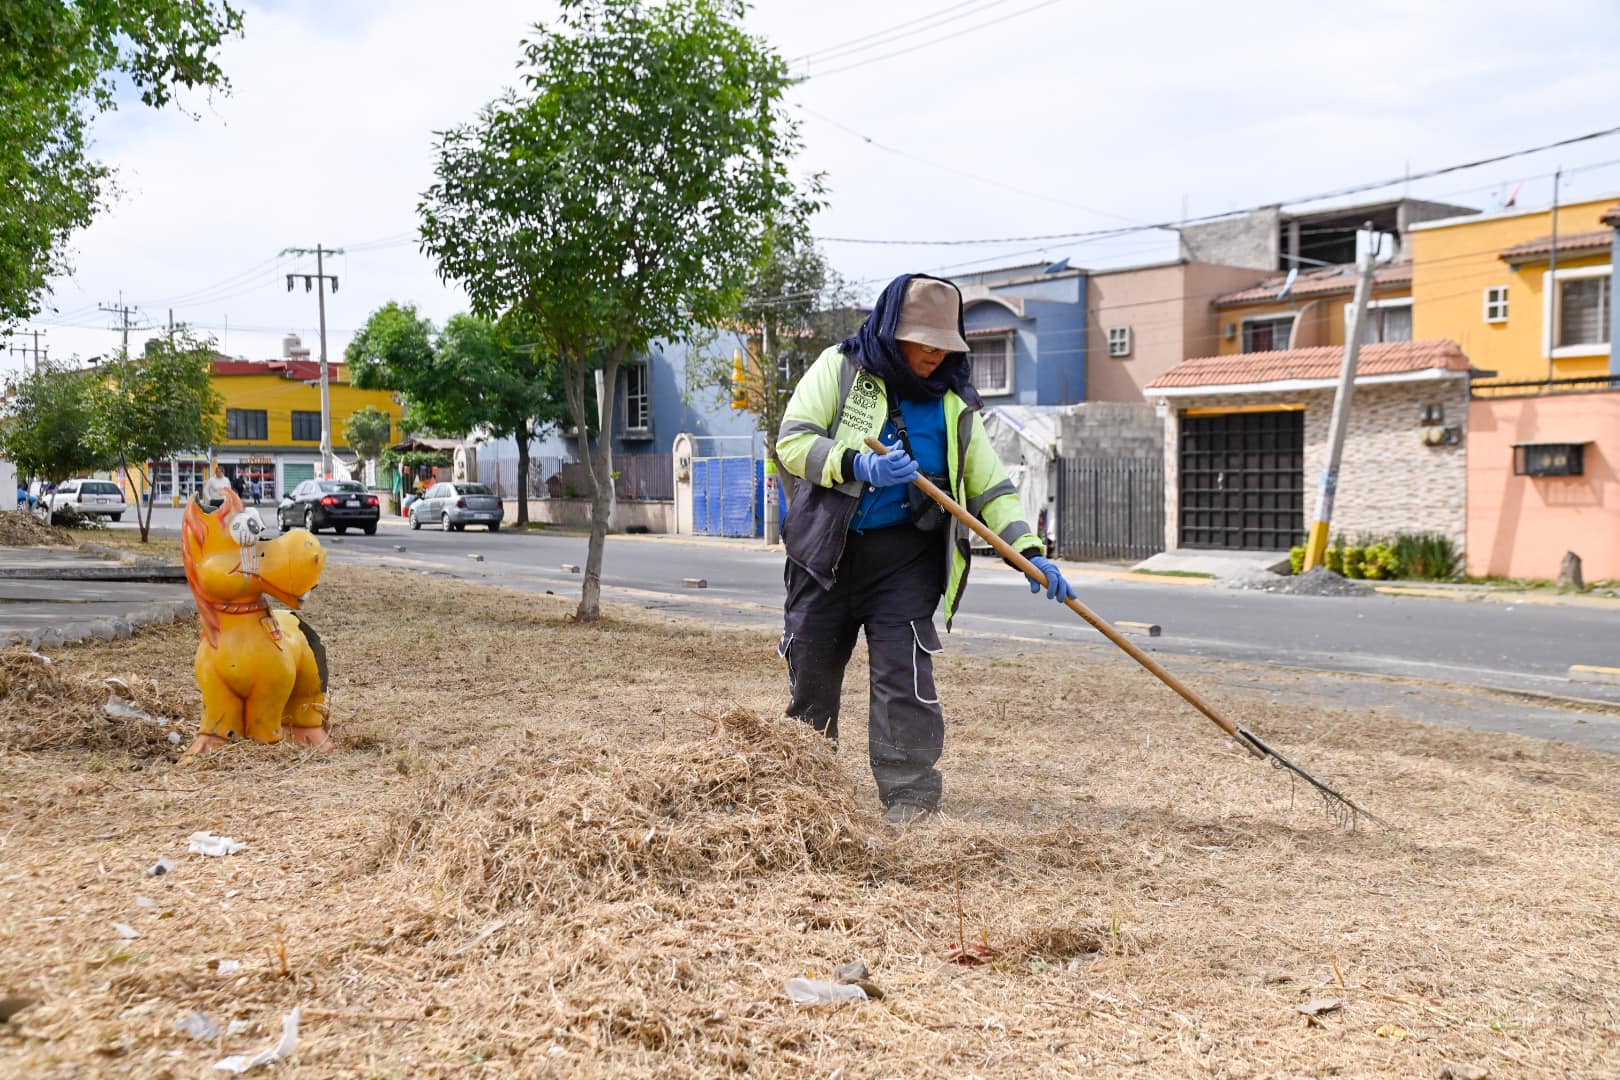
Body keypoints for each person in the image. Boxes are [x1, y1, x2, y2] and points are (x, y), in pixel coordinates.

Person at [776, 274, 1076, 825]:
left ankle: (910, 794)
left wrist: (1027, 549)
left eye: (945, 344)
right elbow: (793, 441)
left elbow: (989, 487)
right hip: (826, 553)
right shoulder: (840, 369)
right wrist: (856, 463)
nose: (936, 355)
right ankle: (804, 789)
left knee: (902, 677)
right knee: (813, 674)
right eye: (923, 341)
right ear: (891, 330)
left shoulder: (954, 404)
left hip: (904, 561)